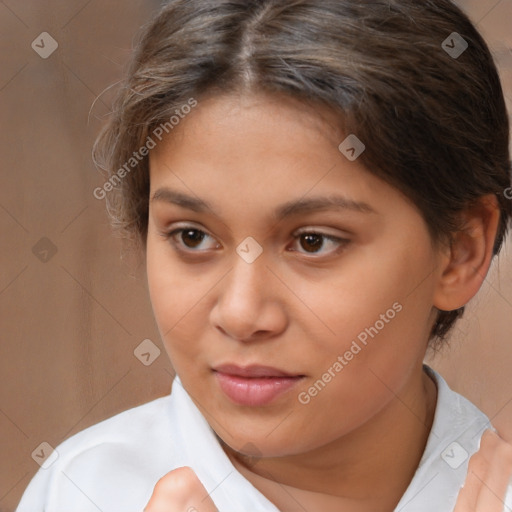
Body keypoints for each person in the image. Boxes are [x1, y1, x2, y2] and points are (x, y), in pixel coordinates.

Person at [16, 0, 512, 511]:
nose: (241, 313)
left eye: (313, 241)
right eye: (192, 237)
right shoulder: (83, 492)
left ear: (460, 250)